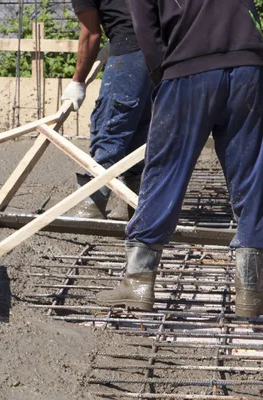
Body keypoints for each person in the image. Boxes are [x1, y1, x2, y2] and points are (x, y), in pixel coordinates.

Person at [97, 0, 263, 318]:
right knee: (252, 170)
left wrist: (164, 75)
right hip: (249, 63)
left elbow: (144, 27)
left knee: (166, 169)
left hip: (190, 66)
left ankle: (137, 281)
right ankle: (251, 289)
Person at [62, 0, 152, 221]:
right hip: (158, 53)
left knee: (110, 127)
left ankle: (90, 207)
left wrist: (78, 82)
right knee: (139, 133)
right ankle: (135, 206)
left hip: (129, 52)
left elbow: (91, 35)